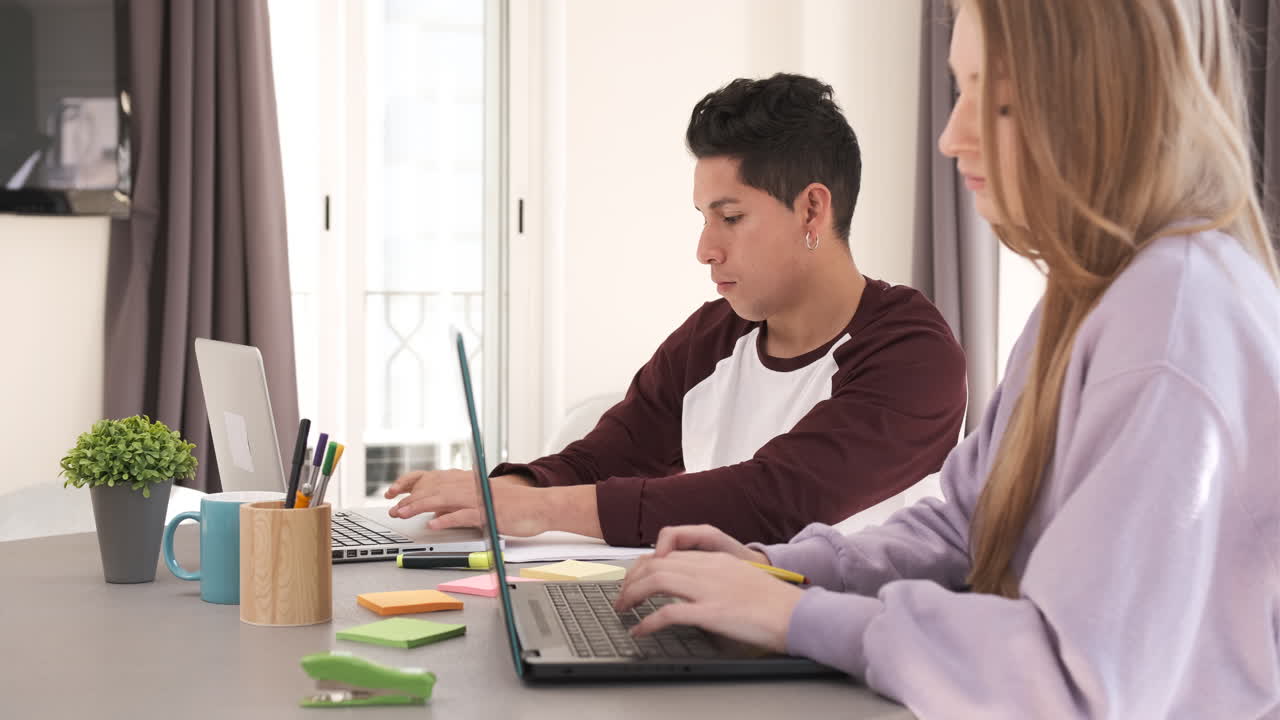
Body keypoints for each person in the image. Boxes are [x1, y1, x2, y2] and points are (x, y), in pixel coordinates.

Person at [613, 1, 1280, 716]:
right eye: (957, 90)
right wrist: (775, 572)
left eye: (995, 103)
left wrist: (792, 618)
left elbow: (1070, 680)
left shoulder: (1170, 322)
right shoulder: (1093, 296)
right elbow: (966, 524)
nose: (949, 137)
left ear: (1098, 102)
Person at [385, 73, 967, 546]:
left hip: (855, 666)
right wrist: (503, 489)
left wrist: (541, 509)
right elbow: (606, 456)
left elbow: (774, 501)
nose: (705, 250)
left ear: (812, 210)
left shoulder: (913, 353)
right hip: (725, 636)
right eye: (703, 218)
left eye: (731, 217)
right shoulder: (716, 334)